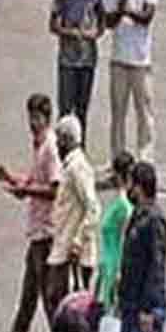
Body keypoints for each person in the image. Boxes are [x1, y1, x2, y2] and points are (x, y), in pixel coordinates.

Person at [0, 94, 63, 332]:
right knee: (28, 295)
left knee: (48, 300)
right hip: (36, 232)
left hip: (46, 233)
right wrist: (10, 178)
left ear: (47, 118)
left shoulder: (50, 149)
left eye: (37, 118)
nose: (32, 123)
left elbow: (54, 189)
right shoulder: (39, 146)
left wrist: (27, 191)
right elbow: (33, 182)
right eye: (30, 117)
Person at [104, 0, 158, 164]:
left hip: (141, 60)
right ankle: (118, 160)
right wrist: (119, 11)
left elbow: (147, 16)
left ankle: (146, 160)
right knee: (118, 113)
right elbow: (108, 22)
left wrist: (127, 11)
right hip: (119, 59)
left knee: (144, 113)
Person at [50, 0, 104, 140]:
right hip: (68, 60)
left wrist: (94, 34)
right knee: (66, 111)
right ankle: (61, 150)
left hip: (88, 59)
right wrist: (71, 33)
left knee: (82, 112)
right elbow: (53, 25)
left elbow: (102, 20)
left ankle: (80, 149)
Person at [46, 116, 100, 312]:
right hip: (62, 245)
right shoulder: (69, 166)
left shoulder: (78, 167)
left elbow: (93, 207)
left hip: (72, 252)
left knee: (67, 305)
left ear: (66, 141)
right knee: (55, 299)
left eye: (59, 141)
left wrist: (78, 240)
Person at [119, 162, 166, 332]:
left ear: (139, 187)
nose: (127, 189)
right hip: (130, 304)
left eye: (130, 183)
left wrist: (148, 310)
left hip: (144, 308)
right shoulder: (138, 215)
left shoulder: (154, 220)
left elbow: (156, 268)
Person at [96, 152, 135, 311]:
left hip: (114, 267)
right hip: (107, 266)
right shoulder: (120, 201)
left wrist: (119, 272)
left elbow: (125, 239)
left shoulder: (123, 205)